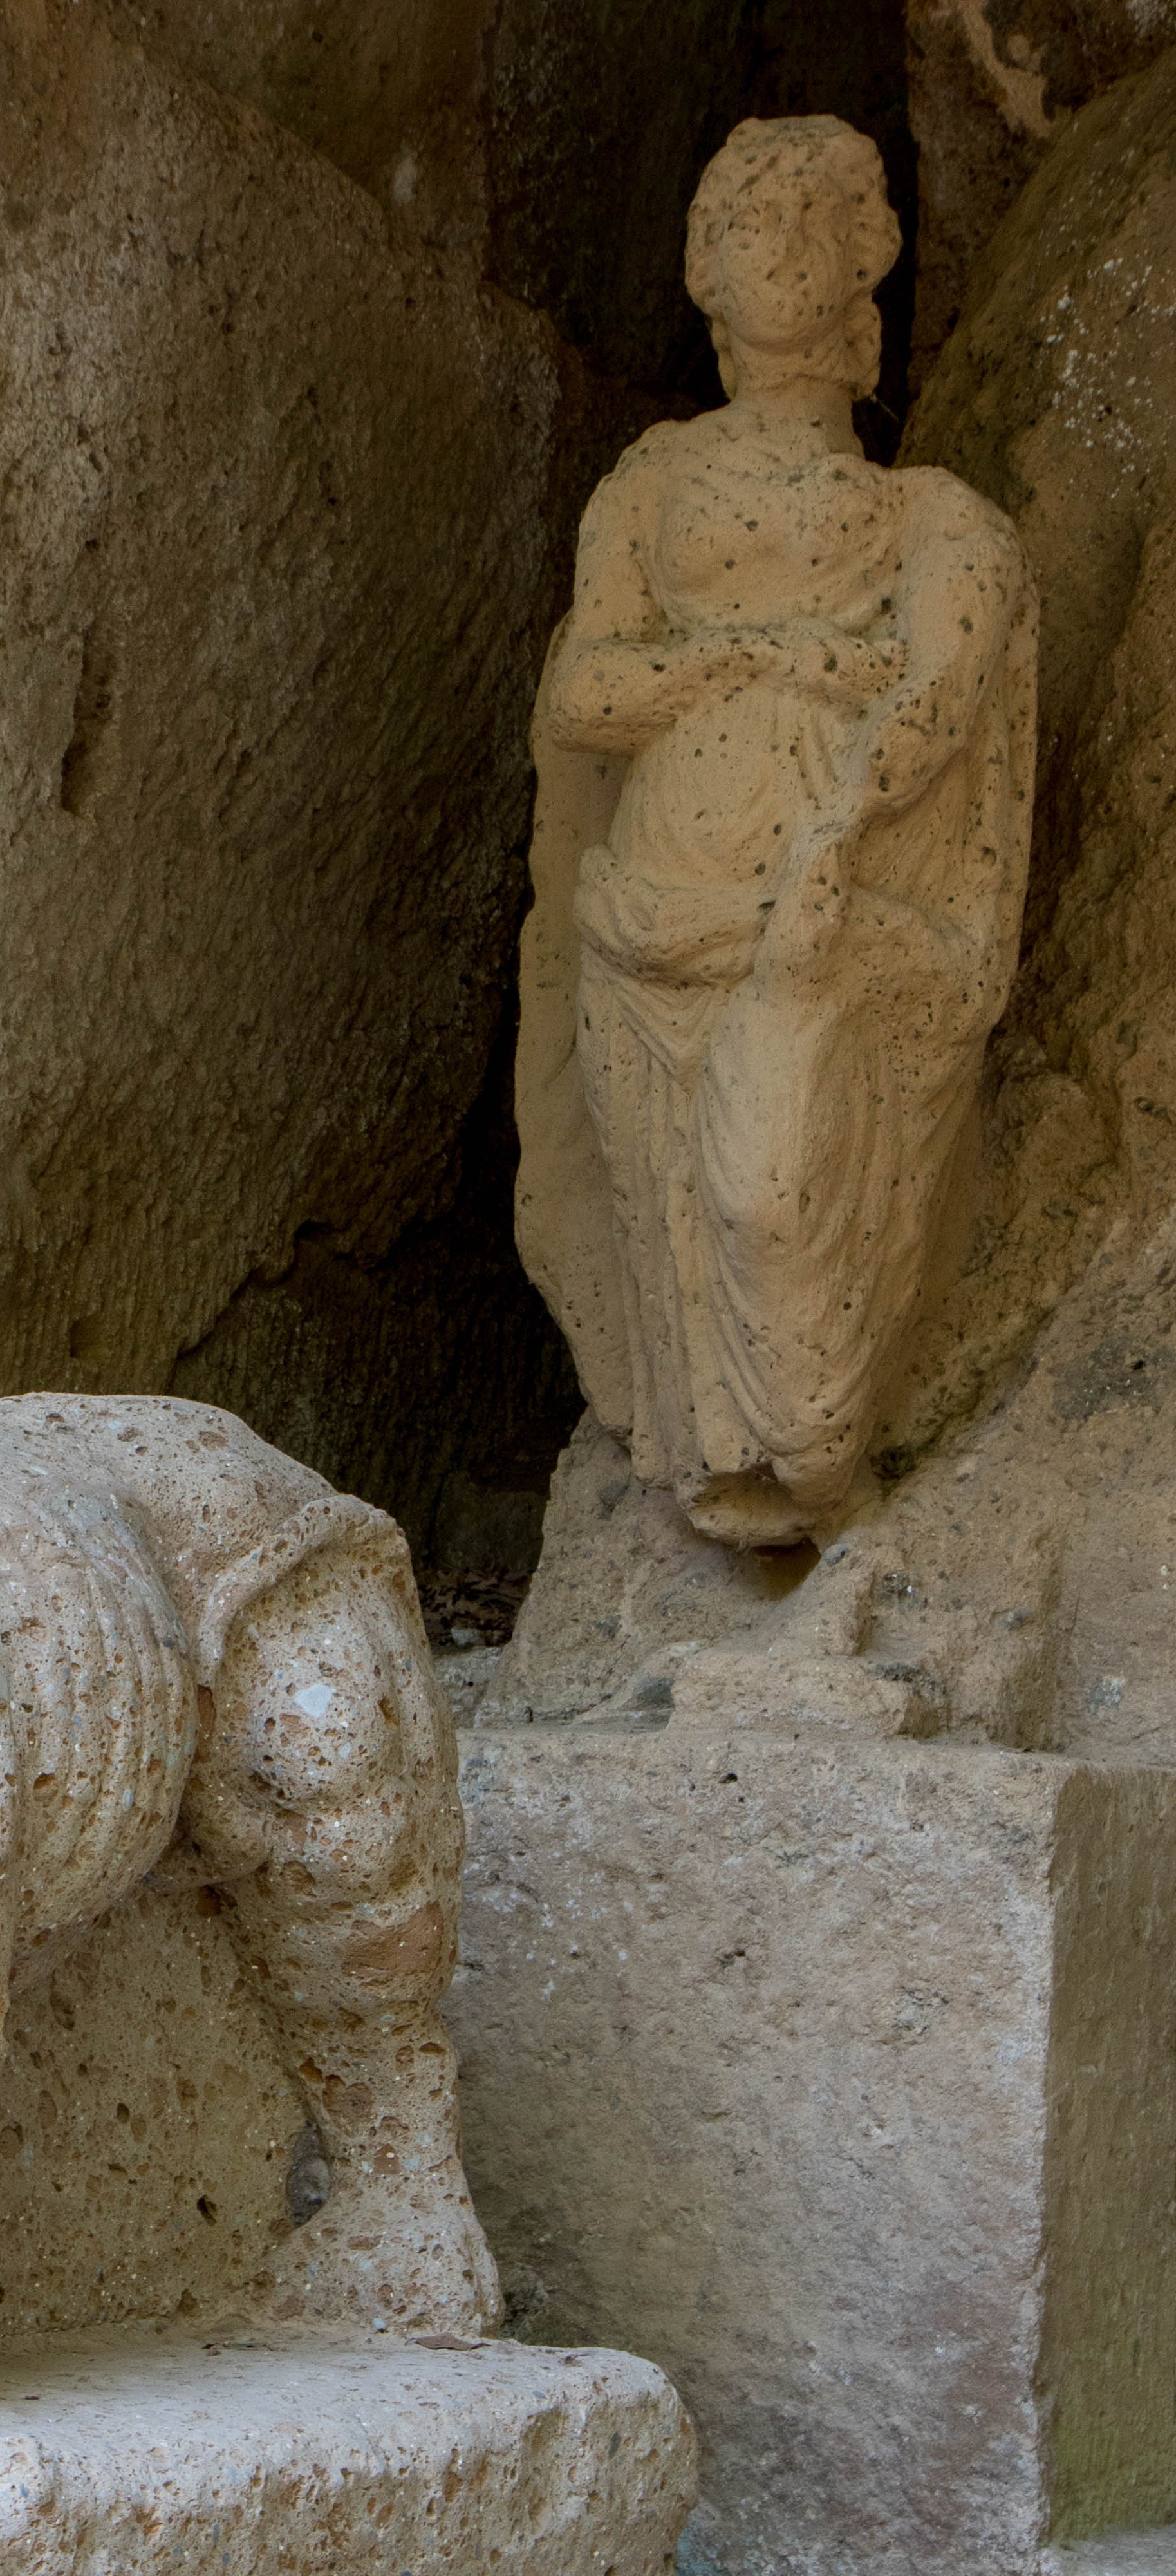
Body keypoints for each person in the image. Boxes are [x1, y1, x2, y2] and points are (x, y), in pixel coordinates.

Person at [516, 115, 1036, 1547]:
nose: (779, 248)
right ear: (704, 270)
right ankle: (711, 1470)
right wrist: (753, 661)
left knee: (772, 1193)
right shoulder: (653, 482)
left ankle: (816, 1454)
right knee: (677, 1223)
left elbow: (949, 684)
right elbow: (586, 687)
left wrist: (851, 804)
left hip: (817, 916)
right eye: (749, 220)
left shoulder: (926, 514)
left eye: (812, 222)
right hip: (651, 912)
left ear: (862, 272)